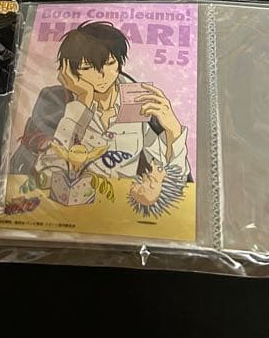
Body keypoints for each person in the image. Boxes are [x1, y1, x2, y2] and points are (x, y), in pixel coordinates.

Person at [12, 21, 190, 215]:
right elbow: (48, 171)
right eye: (87, 67)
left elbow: (173, 180)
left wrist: (173, 131)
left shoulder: (136, 99)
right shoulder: (54, 101)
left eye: (110, 63)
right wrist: (82, 103)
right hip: (67, 209)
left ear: (120, 62)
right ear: (69, 69)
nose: (102, 75)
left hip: (125, 209)